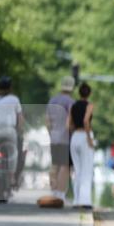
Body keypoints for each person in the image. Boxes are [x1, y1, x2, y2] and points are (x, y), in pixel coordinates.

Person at [45, 75, 75, 204]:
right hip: (65, 137)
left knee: (55, 164)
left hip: (54, 137)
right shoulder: (70, 102)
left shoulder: (52, 100)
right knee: (65, 166)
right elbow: (70, 122)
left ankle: (53, 191)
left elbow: (47, 120)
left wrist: (51, 133)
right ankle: (60, 194)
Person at [67, 82, 95, 210]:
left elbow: (68, 125)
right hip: (84, 136)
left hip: (74, 138)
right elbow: (85, 121)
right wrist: (89, 138)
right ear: (89, 94)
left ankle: (76, 200)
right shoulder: (89, 105)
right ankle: (85, 201)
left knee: (77, 170)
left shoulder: (73, 106)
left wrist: (74, 133)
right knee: (86, 170)